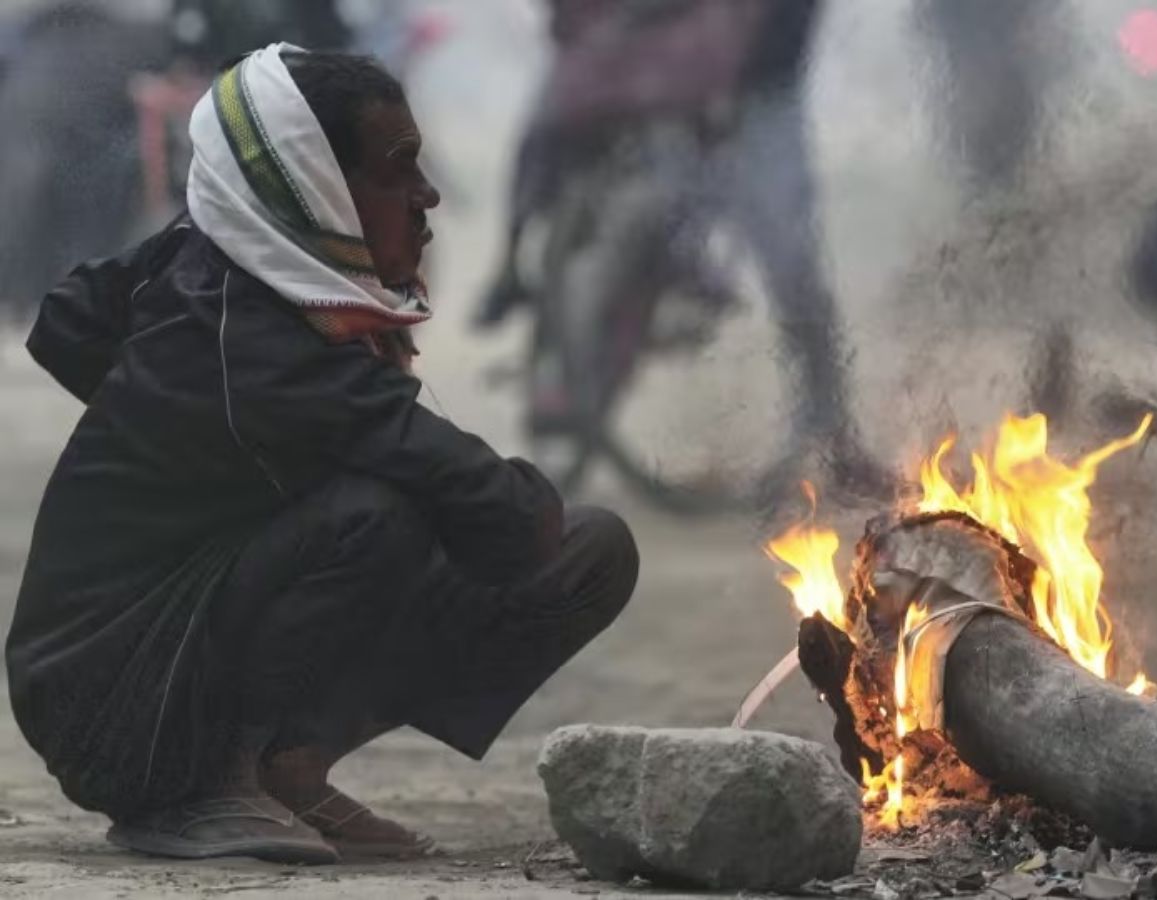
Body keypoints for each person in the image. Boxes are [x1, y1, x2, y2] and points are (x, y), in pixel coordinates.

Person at [6, 46, 638, 865]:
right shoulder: (262, 345)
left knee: (588, 548)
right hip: (118, 711)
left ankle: (285, 769)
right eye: (399, 168)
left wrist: (188, 450)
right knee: (379, 514)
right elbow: (508, 520)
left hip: (152, 649)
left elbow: (69, 320)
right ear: (315, 186)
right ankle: (196, 789)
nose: (429, 196)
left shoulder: (221, 254)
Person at [478, 0, 890, 502]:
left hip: (753, 85)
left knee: (791, 261)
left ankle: (835, 442)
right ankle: (516, 269)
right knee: (549, 147)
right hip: (641, 69)